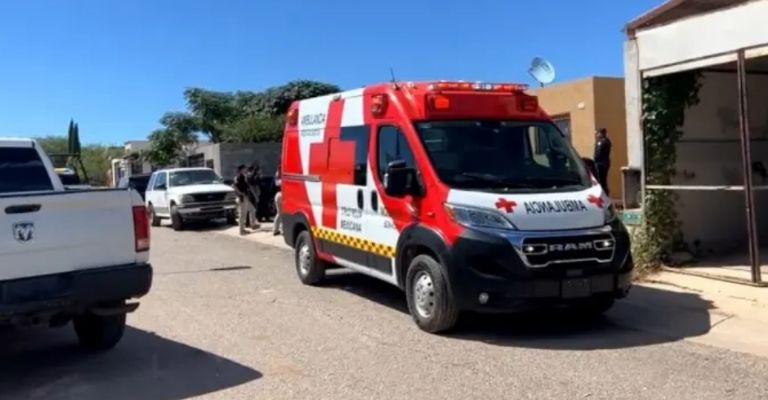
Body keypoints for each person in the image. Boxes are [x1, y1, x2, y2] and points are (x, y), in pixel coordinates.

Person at [234, 165, 254, 235]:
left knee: (252, 209)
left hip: (245, 197)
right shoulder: (239, 177)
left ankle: (252, 224)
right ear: (241, 169)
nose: (246, 169)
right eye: (244, 168)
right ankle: (241, 230)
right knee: (242, 215)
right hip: (242, 198)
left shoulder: (243, 176)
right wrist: (241, 193)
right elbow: (234, 186)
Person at [593, 128, 612, 194]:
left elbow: (598, 153)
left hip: (601, 163)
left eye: (598, 133)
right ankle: (605, 192)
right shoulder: (607, 141)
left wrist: (595, 159)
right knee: (603, 180)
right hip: (605, 163)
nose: (596, 135)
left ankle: (603, 193)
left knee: (601, 180)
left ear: (601, 133)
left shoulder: (601, 142)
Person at [246, 164, 261, 229]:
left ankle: (249, 223)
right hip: (251, 194)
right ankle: (252, 224)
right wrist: (255, 195)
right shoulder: (250, 176)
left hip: (249, 194)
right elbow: (251, 187)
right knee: (252, 209)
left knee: (249, 209)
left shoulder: (248, 176)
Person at [273, 168, 282, 236]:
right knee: (281, 213)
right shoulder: (280, 181)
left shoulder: (277, 180)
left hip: (278, 195)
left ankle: (276, 229)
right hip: (281, 195)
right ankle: (277, 230)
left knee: (279, 213)